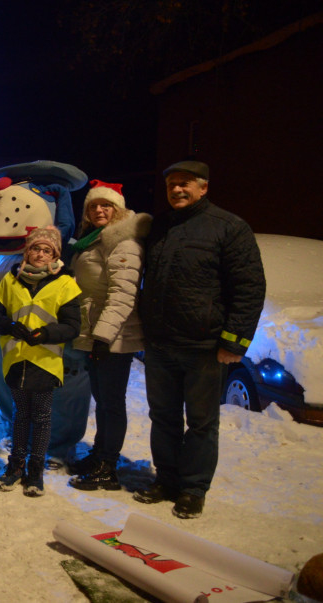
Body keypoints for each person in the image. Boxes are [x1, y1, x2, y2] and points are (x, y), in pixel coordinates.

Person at [136, 160, 265, 519]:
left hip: (204, 348)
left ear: (204, 187)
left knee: (201, 423)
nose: (177, 189)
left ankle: (193, 489)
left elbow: (249, 288)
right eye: (171, 184)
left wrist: (234, 342)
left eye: (185, 184)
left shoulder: (229, 228)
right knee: (163, 417)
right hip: (160, 344)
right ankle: (166, 479)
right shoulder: (159, 226)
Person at [66, 181, 150, 491]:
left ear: (119, 209)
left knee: (112, 403)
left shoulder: (123, 242)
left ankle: (108, 467)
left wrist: (102, 337)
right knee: (101, 401)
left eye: (106, 205)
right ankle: (100, 455)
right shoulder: (93, 241)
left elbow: (122, 295)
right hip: (96, 332)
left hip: (114, 337)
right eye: (93, 206)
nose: (99, 210)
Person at [0, 226, 81, 497]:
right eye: (35, 249)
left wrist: (48, 333)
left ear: (55, 255)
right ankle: (15, 467)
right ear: (27, 252)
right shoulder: (11, 280)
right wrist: (10, 325)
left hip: (45, 361)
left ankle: (35, 471)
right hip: (17, 360)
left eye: (47, 250)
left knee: (40, 417)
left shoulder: (65, 283)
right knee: (20, 415)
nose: (40, 254)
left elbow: (73, 326)